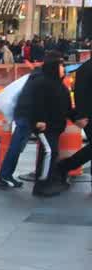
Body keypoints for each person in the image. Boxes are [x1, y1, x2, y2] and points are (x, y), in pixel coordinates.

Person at [0, 55, 73, 193]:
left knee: (22, 146)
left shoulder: (40, 76)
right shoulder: (40, 79)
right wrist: (39, 119)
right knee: (18, 146)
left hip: (27, 115)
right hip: (27, 116)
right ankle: (5, 176)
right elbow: (35, 101)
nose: (64, 69)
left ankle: (8, 175)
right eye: (61, 66)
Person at [54, 56, 92, 185]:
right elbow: (80, 94)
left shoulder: (84, 68)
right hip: (88, 116)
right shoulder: (86, 69)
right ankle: (64, 166)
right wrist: (81, 115)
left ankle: (64, 167)